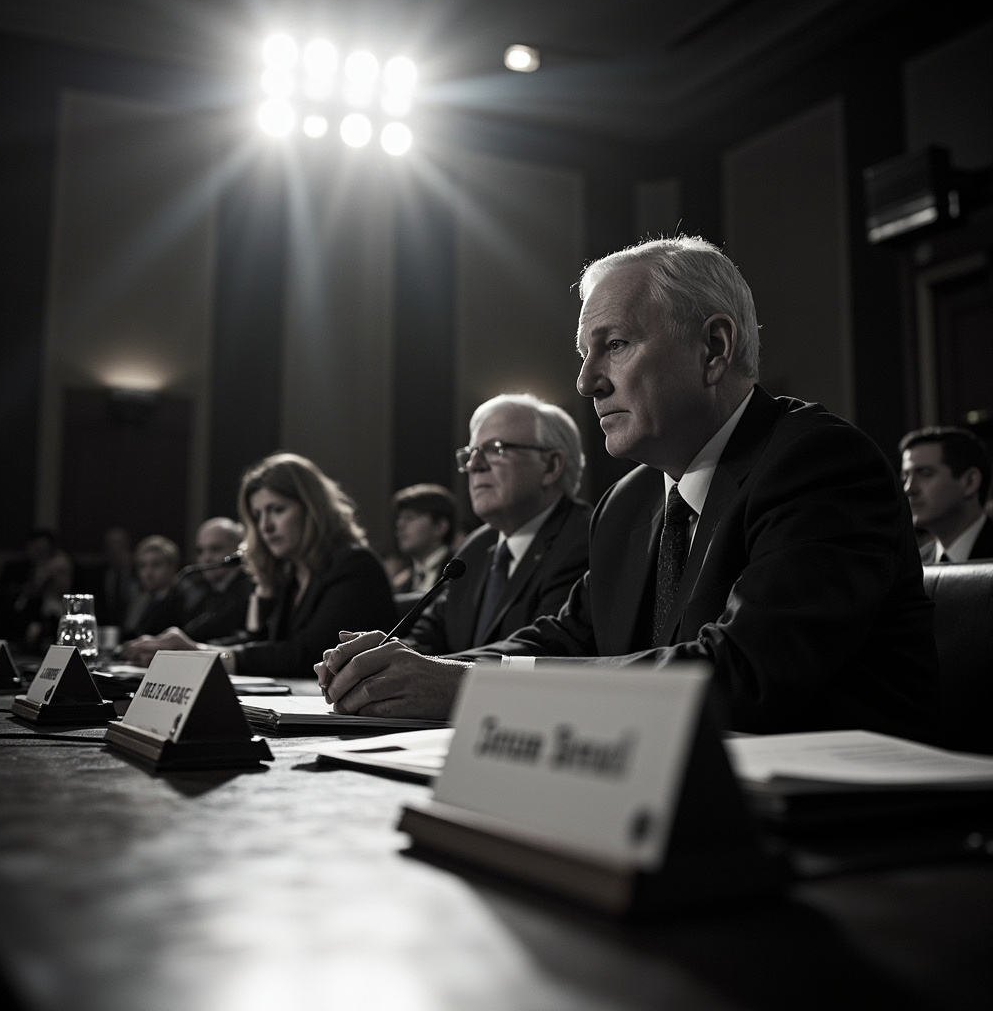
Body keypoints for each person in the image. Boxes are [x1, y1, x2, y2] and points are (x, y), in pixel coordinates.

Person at [316, 234, 938, 744]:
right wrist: (420, 673)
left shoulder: (817, 462)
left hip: (856, 838)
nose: (587, 383)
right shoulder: (631, 501)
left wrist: (462, 690)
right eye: (584, 355)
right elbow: (567, 640)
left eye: (613, 346)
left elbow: (742, 678)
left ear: (714, 349)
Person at [117, 452, 396, 677]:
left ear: (312, 508)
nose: (265, 526)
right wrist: (192, 652)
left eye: (277, 509)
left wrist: (201, 653)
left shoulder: (354, 564)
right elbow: (261, 643)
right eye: (257, 514)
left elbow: (307, 655)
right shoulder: (292, 573)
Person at [402, 393, 592, 654]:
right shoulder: (478, 547)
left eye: (495, 449)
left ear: (550, 466)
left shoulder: (584, 539)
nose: (474, 465)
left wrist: (432, 671)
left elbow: (543, 652)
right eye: (471, 453)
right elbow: (427, 635)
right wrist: (379, 659)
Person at [899, 425, 993, 563]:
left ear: (970, 482)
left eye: (925, 473)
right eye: (905, 477)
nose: (908, 489)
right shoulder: (915, 565)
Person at [179, 516, 254, 642]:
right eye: (200, 551)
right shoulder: (202, 592)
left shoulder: (250, 591)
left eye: (215, 549)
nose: (206, 558)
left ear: (238, 550)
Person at [389, 484, 459, 593]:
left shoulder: (460, 574)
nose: (400, 525)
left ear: (440, 526)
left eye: (410, 517)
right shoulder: (401, 583)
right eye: (399, 518)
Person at [119, 535, 189, 641]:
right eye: (142, 565)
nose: (148, 573)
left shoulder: (186, 598)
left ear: (172, 567)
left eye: (156, 565)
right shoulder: (140, 600)